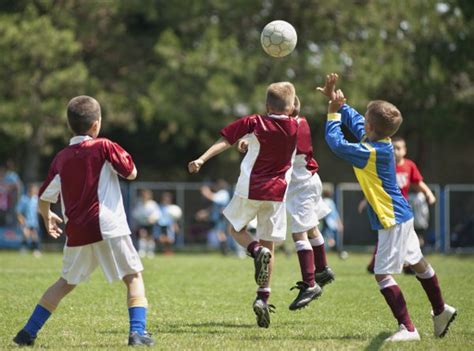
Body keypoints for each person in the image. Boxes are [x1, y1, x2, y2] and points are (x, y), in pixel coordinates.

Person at [322, 73, 456, 341]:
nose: (362, 121)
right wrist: (338, 102)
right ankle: (441, 311)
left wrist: (332, 114)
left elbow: (336, 143)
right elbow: (358, 121)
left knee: (382, 274)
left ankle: (408, 329)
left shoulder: (371, 152)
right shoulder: (376, 141)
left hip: (391, 219)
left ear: (370, 126)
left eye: (366, 119)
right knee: (417, 262)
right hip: (401, 215)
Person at [13, 96, 154, 347]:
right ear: (96, 124)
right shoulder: (104, 146)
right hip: (109, 226)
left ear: (70, 126)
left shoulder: (61, 158)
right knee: (133, 277)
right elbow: (131, 173)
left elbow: (44, 197)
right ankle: (138, 332)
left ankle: (27, 332)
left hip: (77, 231)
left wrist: (46, 216)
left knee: (65, 282)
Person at [188, 81, 299, 328]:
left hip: (251, 188)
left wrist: (201, 158)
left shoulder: (254, 122)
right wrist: (251, 143)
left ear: (266, 105)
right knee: (269, 242)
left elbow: (226, 140)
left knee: (236, 230)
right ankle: (263, 296)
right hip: (277, 193)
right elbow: (285, 120)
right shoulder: (296, 125)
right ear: (291, 107)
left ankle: (254, 250)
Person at [238, 95, 335, 311]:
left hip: (301, 186)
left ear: (288, 111)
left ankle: (310, 284)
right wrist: (250, 139)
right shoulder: (300, 122)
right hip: (308, 180)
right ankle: (323, 269)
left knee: (299, 233)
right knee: (311, 228)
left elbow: (273, 141)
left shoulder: (290, 127)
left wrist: (251, 140)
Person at [366, 136, 437, 272]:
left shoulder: (409, 165)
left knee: (407, 237)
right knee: (386, 235)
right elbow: (375, 186)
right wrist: (366, 200)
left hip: (403, 208)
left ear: (404, 150)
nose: (395, 151)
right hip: (386, 207)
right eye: (393, 148)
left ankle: (409, 264)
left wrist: (429, 193)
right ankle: (377, 265)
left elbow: (418, 182)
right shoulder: (386, 164)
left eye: (399, 148)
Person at [201, 180, 235, 255]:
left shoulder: (223, 193)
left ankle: (227, 250)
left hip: (222, 217)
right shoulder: (222, 193)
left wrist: (206, 191)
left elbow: (213, 198)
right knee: (221, 233)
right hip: (219, 217)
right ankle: (226, 250)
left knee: (222, 233)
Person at [132, 189, 161, 258]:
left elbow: (157, 213)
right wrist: (140, 218)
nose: (145, 196)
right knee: (142, 236)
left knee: (150, 238)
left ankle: (150, 252)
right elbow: (135, 213)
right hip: (142, 223)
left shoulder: (153, 204)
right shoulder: (139, 204)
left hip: (151, 224)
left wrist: (153, 218)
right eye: (143, 195)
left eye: (147, 195)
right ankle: (142, 251)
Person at [17, 184, 41, 257]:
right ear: (29, 190)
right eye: (33, 190)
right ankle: (23, 249)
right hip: (26, 221)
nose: (35, 191)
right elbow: (19, 212)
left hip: (34, 222)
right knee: (26, 235)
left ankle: (36, 250)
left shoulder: (36, 199)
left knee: (34, 236)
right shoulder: (24, 199)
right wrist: (21, 220)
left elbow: (38, 209)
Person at [320, 185, 344, 252]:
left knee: (326, 238)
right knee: (327, 237)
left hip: (328, 222)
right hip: (330, 223)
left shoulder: (325, 201)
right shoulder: (331, 202)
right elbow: (336, 214)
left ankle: (327, 249)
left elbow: (325, 212)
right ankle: (328, 248)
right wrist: (339, 223)